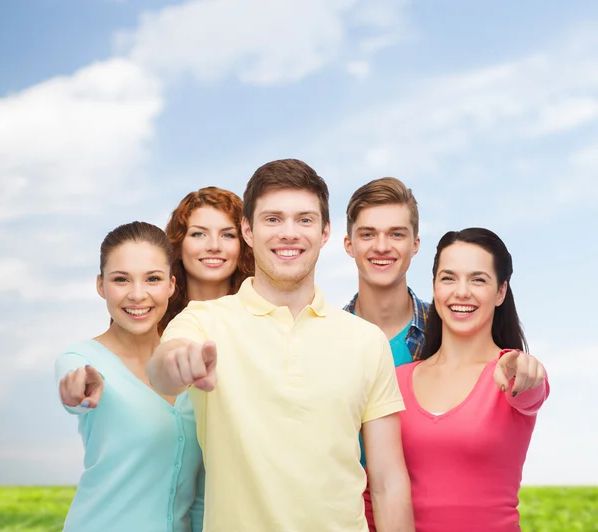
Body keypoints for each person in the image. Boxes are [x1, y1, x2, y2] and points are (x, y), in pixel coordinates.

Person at [148, 159, 415, 532]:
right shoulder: (204, 321)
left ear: (325, 233)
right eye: (273, 219)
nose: (289, 233)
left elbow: (387, 481)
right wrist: (177, 364)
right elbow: (162, 369)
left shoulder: (366, 340)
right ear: (248, 231)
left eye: (304, 220)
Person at [396, 227, 549, 532]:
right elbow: (376, 491)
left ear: (501, 292)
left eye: (478, 279)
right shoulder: (397, 380)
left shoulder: (511, 373)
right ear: (435, 286)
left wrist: (525, 371)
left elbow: (532, 390)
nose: (461, 292)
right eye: (449, 278)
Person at [55, 222, 204, 532]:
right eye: (121, 279)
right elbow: (76, 393)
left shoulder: (188, 364)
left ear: (171, 285)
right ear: (101, 285)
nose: (138, 295)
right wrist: (78, 395)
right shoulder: (82, 360)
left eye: (152, 279)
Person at [343, 177, 429, 530]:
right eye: (367, 234)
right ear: (348, 244)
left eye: (396, 234)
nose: (382, 246)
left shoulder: (449, 333)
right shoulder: (325, 340)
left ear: (415, 244)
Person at [160, 186, 254, 333]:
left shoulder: (265, 319)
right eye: (199, 234)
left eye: (227, 235)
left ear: (244, 244)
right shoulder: (153, 322)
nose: (214, 246)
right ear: (178, 244)